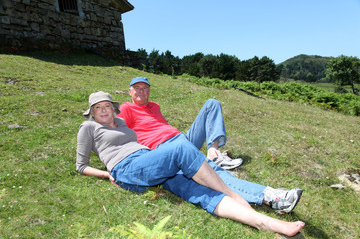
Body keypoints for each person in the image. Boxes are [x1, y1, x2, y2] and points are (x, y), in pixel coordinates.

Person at [76, 91, 305, 237]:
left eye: (106, 105)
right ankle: (236, 196)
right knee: (181, 148)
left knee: (199, 191)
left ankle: (266, 223)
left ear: (112, 108)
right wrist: (107, 174)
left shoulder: (123, 122)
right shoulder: (88, 128)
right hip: (127, 168)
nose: (103, 110)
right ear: (92, 113)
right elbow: (81, 165)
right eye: (98, 107)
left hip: (148, 163)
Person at [118, 76, 242, 170]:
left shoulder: (155, 106)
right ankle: (206, 164)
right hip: (166, 148)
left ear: (149, 91)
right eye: (137, 88)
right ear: (130, 91)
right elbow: (114, 131)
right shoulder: (126, 108)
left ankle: (213, 154)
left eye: (144, 88)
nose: (141, 91)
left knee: (212, 103)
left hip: (183, 139)